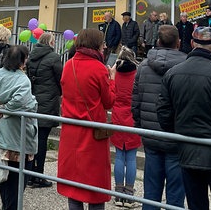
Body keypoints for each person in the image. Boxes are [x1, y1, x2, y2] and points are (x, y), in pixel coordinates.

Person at [157, 27, 211, 210]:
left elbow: (163, 114)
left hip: (188, 151)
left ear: (192, 44)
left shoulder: (172, 74)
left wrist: (179, 135)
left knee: (196, 205)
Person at [57, 28, 116, 210]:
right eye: (103, 44)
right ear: (96, 45)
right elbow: (109, 102)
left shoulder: (68, 65)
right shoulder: (99, 68)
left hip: (70, 130)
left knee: (73, 184)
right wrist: (112, 79)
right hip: (92, 132)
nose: (104, 47)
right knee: (94, 185)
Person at [0, 45, 38, 210]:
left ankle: (6, 206)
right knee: (17, 182)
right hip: (17, 136)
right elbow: (21, 101)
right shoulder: (22, 79)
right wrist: (6, 110)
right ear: (23, 61)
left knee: (4, 177)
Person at [132, 25, 187, 209]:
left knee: (151, 192)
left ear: (157, 42)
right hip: (176, 137)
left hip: (151, 136)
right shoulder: (186, 66)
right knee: (176, 193)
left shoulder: (143, 66)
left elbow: (136, 100)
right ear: (178, 43)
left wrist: (140, 126)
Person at [26, 32, 63, 188]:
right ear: (50, 42)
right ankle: (38, 175)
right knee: (42, 140)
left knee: (32, 138)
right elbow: (61, 78)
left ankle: (29, 173)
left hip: (34, 99)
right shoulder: (53, 57)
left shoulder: (31, 56)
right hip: (48, 101)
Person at [110, 46, 141, 207]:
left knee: (119, 157)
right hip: (132, 117)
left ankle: (117, 192)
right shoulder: (137, 75)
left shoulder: (116, 75)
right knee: (131, 157)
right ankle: (129, 194)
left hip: (117, 116)